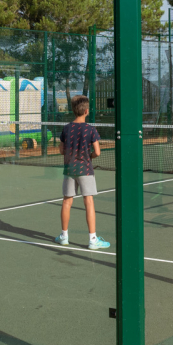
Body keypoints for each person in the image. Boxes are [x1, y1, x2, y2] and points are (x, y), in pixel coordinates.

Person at [55, 95, 110, 250]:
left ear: (74, 111)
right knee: (89, 202)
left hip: (69, 169)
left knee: (67, 201)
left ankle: (64, 237)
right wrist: (89, 156)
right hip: (85, 169)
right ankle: (93, 240)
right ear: (86, 111)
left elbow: (61, 150)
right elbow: (97, 152)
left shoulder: (66, 128)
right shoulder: (91, 130)